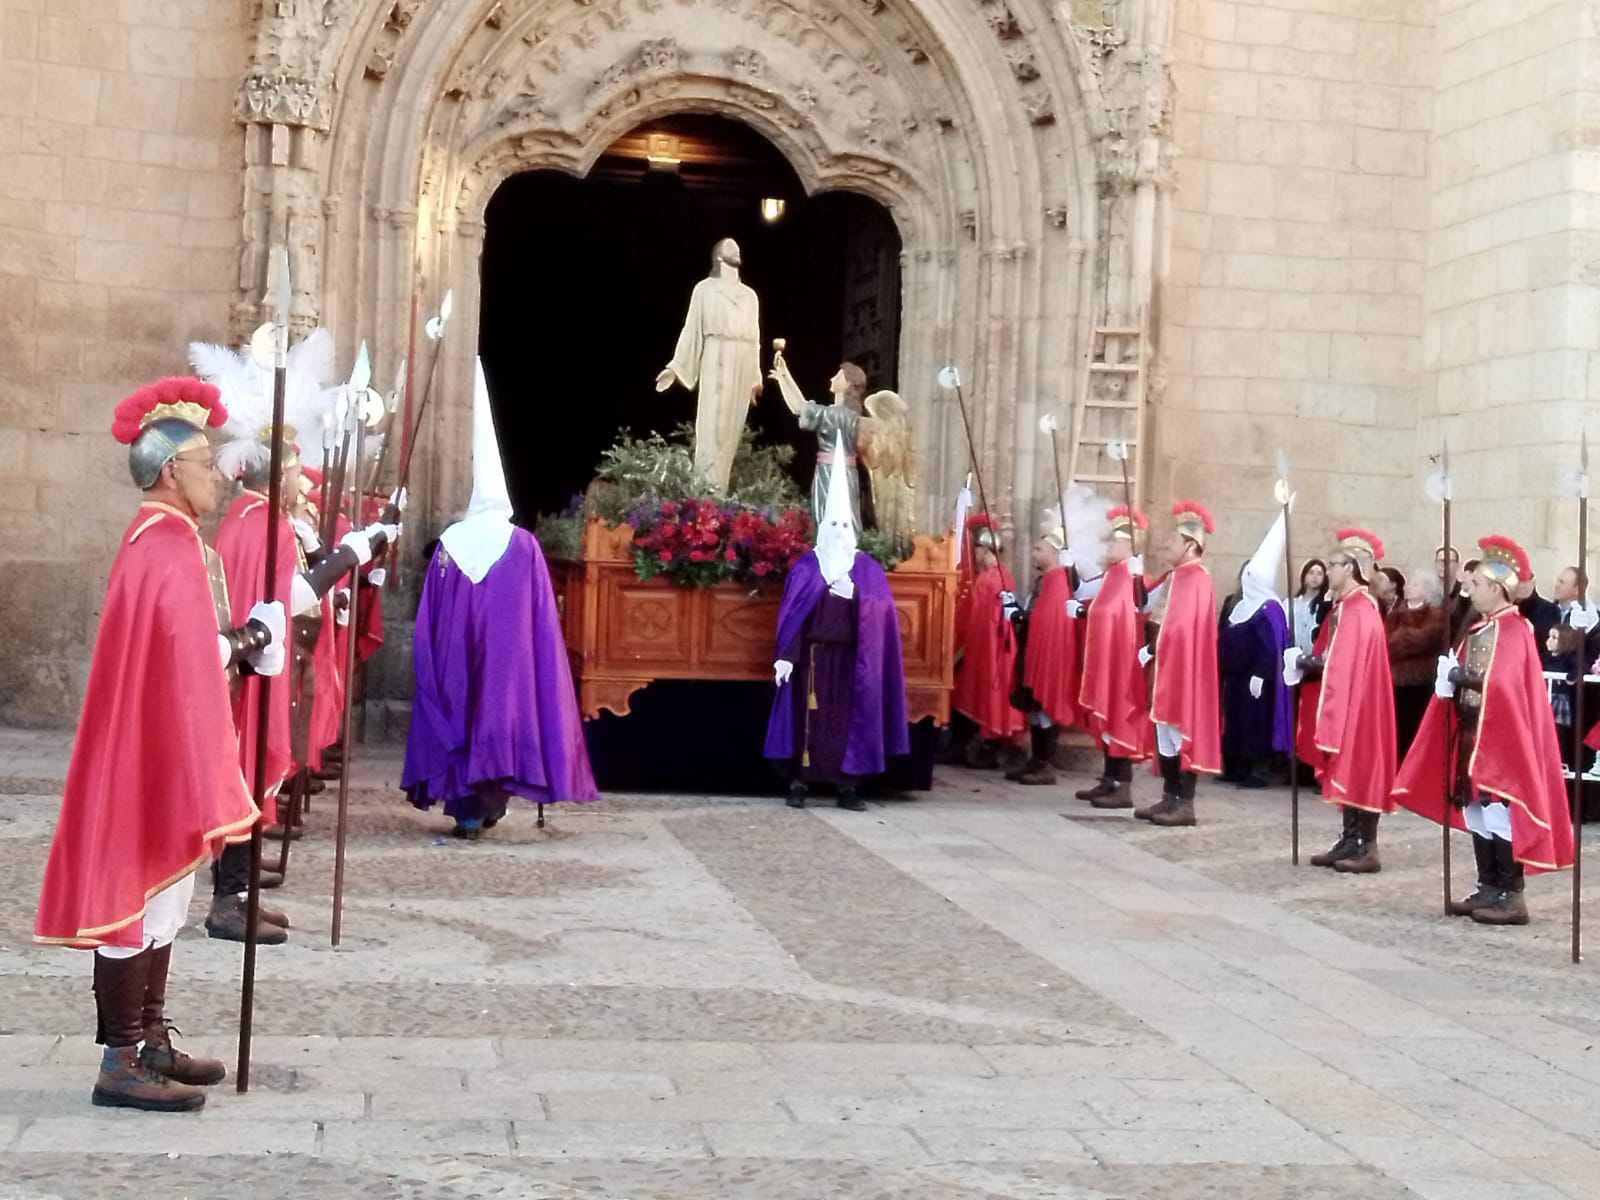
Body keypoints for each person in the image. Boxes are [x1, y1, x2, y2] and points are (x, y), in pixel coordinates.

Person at [35, 377, 283, 1112]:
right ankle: (119, 1058)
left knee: (164, 896)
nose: (217, 475)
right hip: (149, 749)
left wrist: (241, 641)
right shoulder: (162, 543)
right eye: (206, 464)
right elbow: (187, 651)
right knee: (135, 892)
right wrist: (249, 639)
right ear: (171, 470)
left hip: (167, 741)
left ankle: (147, 1039)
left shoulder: (175, 541)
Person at [209, 424, 396, 942]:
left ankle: (240, 892)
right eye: (293, 473)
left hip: (266, 663)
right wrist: (347, 557)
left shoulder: (255, 518)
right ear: (278, 478)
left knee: (252, 771)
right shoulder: (259, 524)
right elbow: (288, 599)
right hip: (255, 667)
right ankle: (228, 900)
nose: (299, 484)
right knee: (248, 770)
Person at [404, 360, 599, 835]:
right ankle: (489, 804)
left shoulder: (450, 545)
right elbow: (541, 618)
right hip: (507, 668)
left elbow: (428, 613)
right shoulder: (524, 546)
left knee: (462, 714)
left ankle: (469, 811)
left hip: (457, 661)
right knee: (498, 719)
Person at [1393, 536, 1575, 924]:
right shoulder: (1480, 629)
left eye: (1475, 585)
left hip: (1501, 739)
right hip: (1472, 733)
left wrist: (1462, 676)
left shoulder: (1516, 630)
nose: (1467, 590)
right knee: (1476, 810)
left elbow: (1506, 685)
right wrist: (1450, 682)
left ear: (1496, 588)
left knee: (1499, 812)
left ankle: (1512, 896)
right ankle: (1489, 886)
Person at [767, 433, 910, 809]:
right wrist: (785, 655)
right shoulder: (807, 566)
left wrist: (856, 596)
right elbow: (793, 613)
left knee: (848, 723)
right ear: (822, 528)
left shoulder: (867, 568)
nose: (839, 534)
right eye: (833, 527)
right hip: (811, 660)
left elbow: (882, 613)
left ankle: (847, 786)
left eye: (845, 527)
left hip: (851, 663)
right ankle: (800, 783)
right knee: (807, 724)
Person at [1283, 528, 1397, 873]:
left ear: (1350, 568)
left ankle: (1366, 846)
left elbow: (1342, 665)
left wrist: (1307, 663)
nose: (1328, 571)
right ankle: (1350, 839)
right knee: (1350, 768)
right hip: (1353, 701)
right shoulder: (1346, 607)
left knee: (1361, 768)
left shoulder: (1359, 609)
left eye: (1333, 564)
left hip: (1360, 706)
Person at [1137, 502, 1223, 825]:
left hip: (1181, 667)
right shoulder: (1175, 576)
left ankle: (1185, 804)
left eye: (1173, 540)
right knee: (1164, 731)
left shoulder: (1197, 578)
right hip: (1164, 663)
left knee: (1179, 731)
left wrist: (1155, 647)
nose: (1166, 545)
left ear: (1191, 545)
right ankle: (1169, 796)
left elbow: (1182, 627)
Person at [656, 237, 763, 492]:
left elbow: (756, 337)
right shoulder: (704, 289)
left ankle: (719, 492)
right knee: (712, 427)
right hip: (718, 357)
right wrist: (675, 367)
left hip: (743, 357)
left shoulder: (750, 295)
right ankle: (705, 493)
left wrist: (755, 376)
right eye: (730, 247)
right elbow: (691, 329)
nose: (736, 249)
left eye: (738, 246)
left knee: (731, 432)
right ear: (718, 256)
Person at [1076, 506, 1152, 806]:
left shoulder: (1132, 576)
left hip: (1122, 663)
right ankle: (1109, 779)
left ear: (1129, 547)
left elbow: (1134, 609)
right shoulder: (1112, 575)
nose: (1108, 546)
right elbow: (1102, 608)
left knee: (1120, 718)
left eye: (1114, 542)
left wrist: (1089, 610)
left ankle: (1123, 786)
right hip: (1106, 659)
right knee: (1107, 721)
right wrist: (1084, 608)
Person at [1218, 512, 1292, 790]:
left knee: (1254, 723)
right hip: (1235, 678)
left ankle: (1256, 769)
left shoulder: (1269, 608)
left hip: (1255, 680)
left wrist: (1260, 673)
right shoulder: (1240, 605)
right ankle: (1234, 765)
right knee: (1235, 720)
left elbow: (1271, 645)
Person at [1005, 525, 1079, 786]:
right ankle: (1036, 760)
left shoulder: (1059, 580)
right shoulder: (1045, 581)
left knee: (1044, 706)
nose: (1033, 554)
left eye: (1039, 549)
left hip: (1049, 654)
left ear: (1054, 553)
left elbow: (1052, 619)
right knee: (1034, 706)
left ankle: (1045, 764)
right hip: (1033, 648)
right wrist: (1016, 612)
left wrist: (1021, 616)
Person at [768, 354, 871, 531]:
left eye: (838, 376)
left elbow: (799, 408)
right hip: (837, 470)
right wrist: (785, 376)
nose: (832, 378)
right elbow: (803, 405)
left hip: (833, 472)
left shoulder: (838, 416)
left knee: (829, 516)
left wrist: (783, 379)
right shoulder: (843, 414)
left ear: (847, 384)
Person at [951, 515, 1022, 768]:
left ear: (986, 549)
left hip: (994, 649)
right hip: (982, 648)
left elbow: (995, 621)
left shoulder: (996, 578)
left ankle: (990, 744)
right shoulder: (990, 576)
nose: (974, 553)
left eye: (977, 548)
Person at [1386, 566, 1447, 761]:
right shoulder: (1394, 614)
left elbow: (1426, 639)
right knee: (1397, 730)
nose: (1408, 587)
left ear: (1427, 589)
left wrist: (1402, 637)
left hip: (1421, 682)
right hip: (1395, 682)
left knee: (1416, 730)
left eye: (1414, 584)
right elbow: (1387, 643)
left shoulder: (1436, 614)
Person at [1291, 559, 1329, 658]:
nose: (1315, 577)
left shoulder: (1325, 606)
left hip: (1315, 657)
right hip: (1293, 656)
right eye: (1311, 573)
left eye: (1319, 574)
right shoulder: (1291, 604)